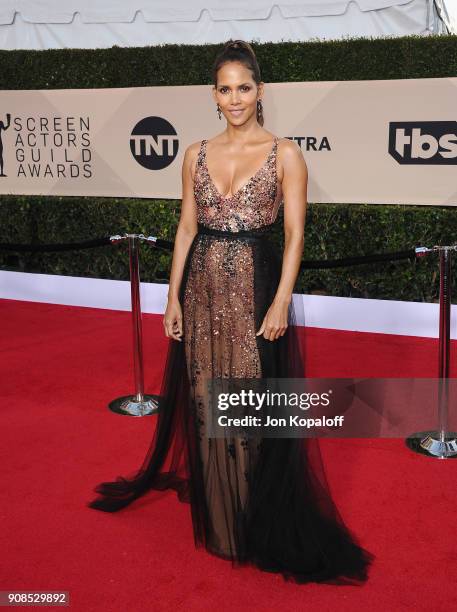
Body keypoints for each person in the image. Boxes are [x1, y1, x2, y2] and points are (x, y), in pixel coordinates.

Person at [88, 39, 375, 585]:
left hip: (254, 288)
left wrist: (283, 298)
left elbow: (294, 236)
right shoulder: (195, 153)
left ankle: (254, 520)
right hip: (201, 291)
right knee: (203, 399)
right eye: (225, 88)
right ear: (213, 95)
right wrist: (171, 296)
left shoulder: (285, 153)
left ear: (260, 91)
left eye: (245, 87)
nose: (235, 98)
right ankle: (221, 519)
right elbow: (187, 229)